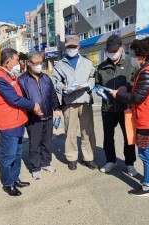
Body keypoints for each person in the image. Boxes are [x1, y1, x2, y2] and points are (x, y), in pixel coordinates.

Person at [110, 37, 149, 197]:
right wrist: (128, 87)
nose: (133, 57)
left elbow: (137, 98)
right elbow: (144, 90)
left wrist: (119, 94)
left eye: (135, 54)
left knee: (146, 153)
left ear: (142, 55)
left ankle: (148, 187)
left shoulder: (147, 72)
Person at [0, 48, 43, 196]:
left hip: (18, 122)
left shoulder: (10, 76)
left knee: (18, 153)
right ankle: (8, 183)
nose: (18, 63)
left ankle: (15, 178)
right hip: (8, 124)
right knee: (9, 156)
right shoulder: (0, 78)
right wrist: (32, 105)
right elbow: (14, 98)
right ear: (7, 62)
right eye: (16, 60)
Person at [52, 35, 97, 171]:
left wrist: (88, 85)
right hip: (69, 101)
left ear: (78, 47)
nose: (71, 49)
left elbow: (93, 77)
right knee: (70, 132)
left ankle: (88, 158)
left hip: (85, 100)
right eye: (69, 47)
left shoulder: (87, 62)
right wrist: (62, 87)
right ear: (65, 47)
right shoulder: (60, 64)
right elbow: (55, 81)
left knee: (87, 131)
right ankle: (72, 158)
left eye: (74, 46)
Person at [95, 34, 137, 176]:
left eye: (115, 50)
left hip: (125, 108)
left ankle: (130, 163)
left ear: (121, 49)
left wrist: (127, 87)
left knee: (128, 137)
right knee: (108, 136)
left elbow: (136, 83)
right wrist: (98, 89)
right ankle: (110, 161)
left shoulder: (130, 64)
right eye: (110, 51)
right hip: (108, 108)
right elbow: (96, 84)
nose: (112, 53)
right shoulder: (101, 67)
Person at [18, 51, 61, 180]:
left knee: (47, 141)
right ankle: (35, 167)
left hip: (48, 115)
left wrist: (57, 108)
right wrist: (31, 109)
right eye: (36, 63)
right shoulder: (22, 80)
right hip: (33, 118)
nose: (39, 66)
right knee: (35, 143)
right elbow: (21, 100)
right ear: (29, 63)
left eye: (40, 63)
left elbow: (52, 94)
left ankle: (46, 162)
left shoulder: (46, 78)